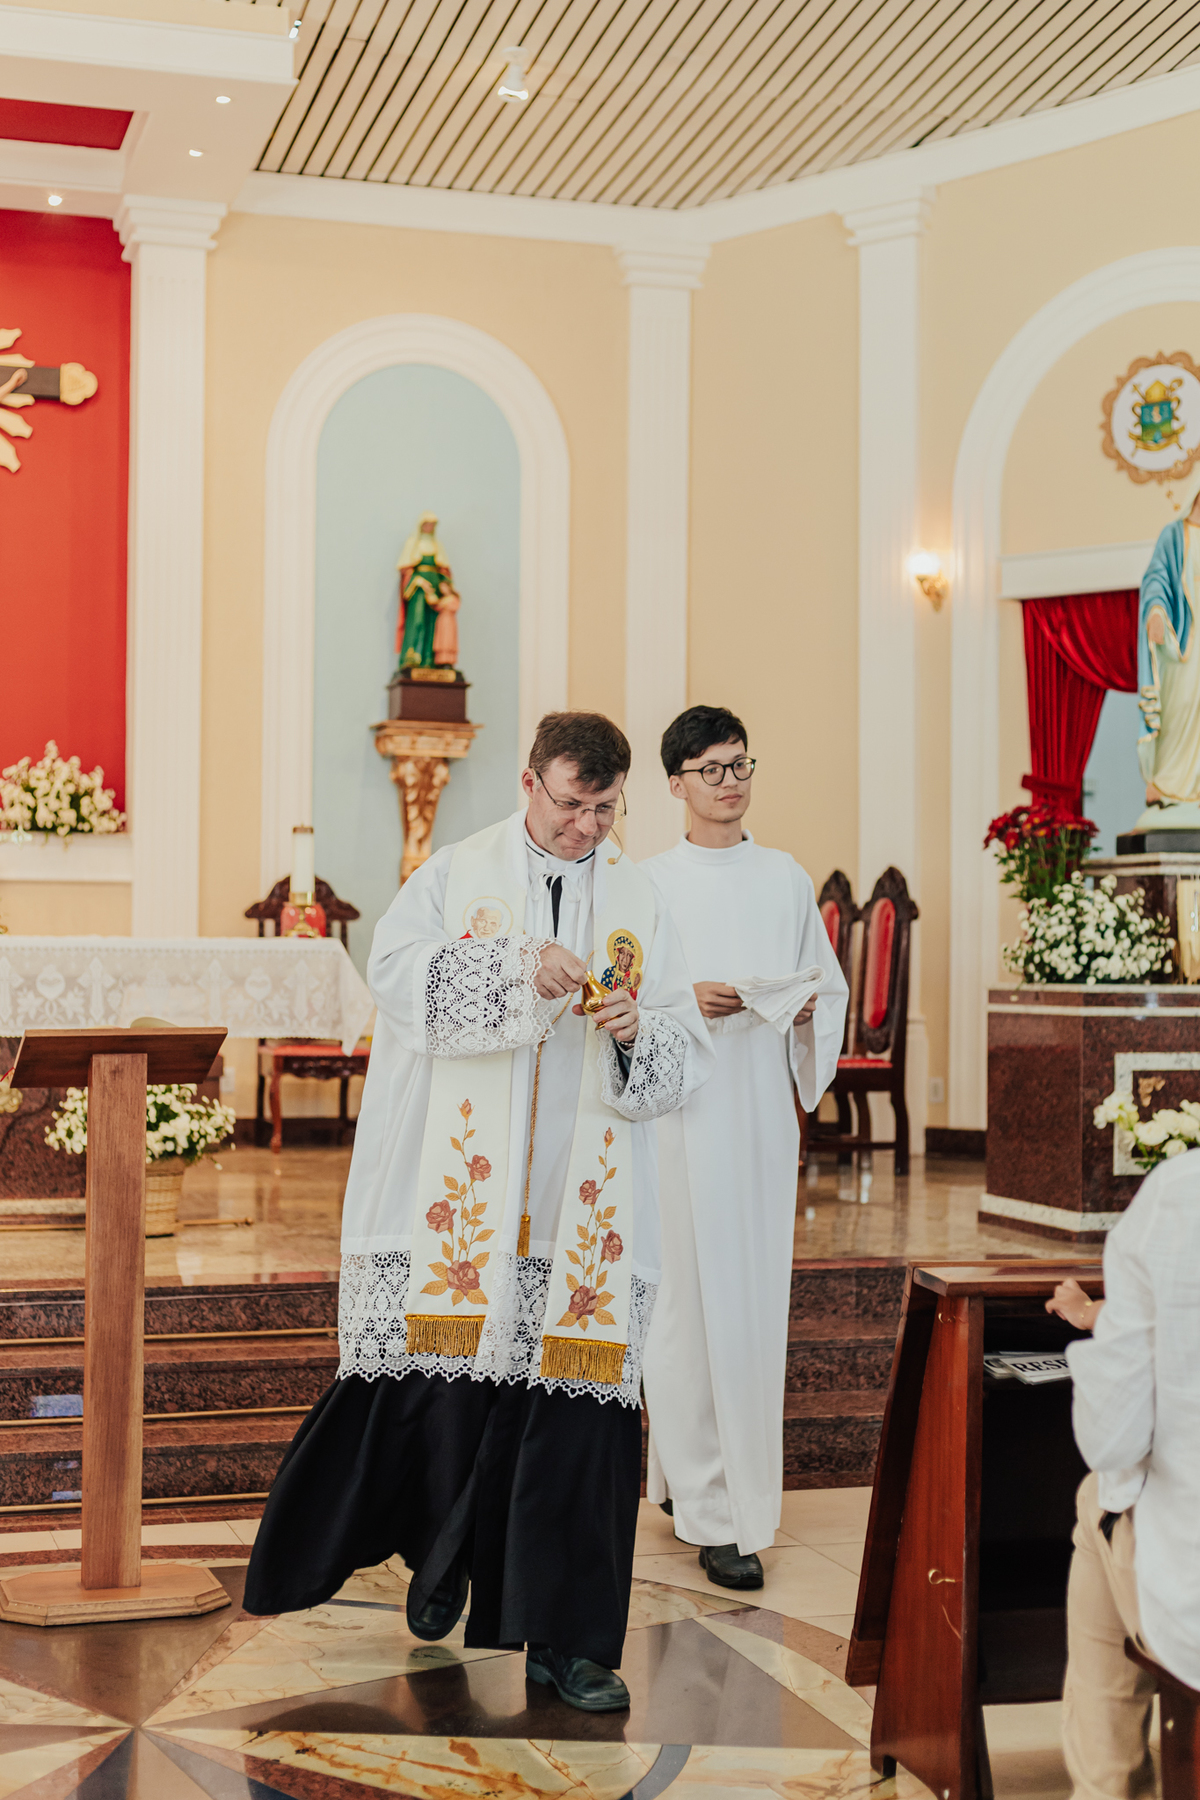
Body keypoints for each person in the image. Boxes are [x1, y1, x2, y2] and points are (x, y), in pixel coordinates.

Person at [244, 711, 713, 1713]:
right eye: (572, 803)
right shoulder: (456, 875)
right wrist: (515, 971)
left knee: (578, 1421)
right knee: (448, 1400)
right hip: (464, 1202)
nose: (588, 826)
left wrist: (639, 1030)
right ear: (530, 783)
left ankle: (570, 1645)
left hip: (581, 1214)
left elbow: (682, 1049)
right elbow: (396, 979)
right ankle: (440, 1554)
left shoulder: (641, 898)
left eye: (606, 808)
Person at [639, 705, 848, 1589]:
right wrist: (685, 1000)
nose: (731, 783)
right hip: (680, 1115)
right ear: (676, 783)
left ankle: (718, 1491)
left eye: (741, 765)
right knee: (683, 1307)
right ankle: (712, 1510)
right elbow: (619, 997)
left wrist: (802, 1009)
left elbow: (828, 989)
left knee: (749, 1303)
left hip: (759, 1113)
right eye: (712, 769)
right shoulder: (647, 883)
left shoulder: (784, 877)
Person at [1046, 1152, 1200, 1800]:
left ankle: (1107, 1787)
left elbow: (1111, 1440)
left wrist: (1104, 1335)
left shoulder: (1181, 1195)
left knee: (1101, 1496)